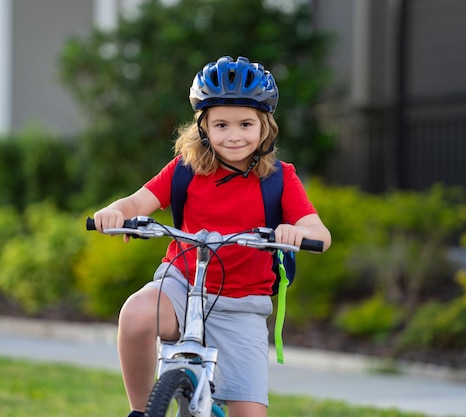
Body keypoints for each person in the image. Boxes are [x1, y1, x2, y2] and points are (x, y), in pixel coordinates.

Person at [93, 55, 331, 417]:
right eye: (221, 124)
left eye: (245, 124)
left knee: (249, 414)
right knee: (137, 315)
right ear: (203, 128)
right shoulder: (185, 169)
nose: (234, 135)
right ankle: (143, 411)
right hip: (182, 282)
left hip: (241, 304)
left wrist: (296, 231)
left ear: (265, 127)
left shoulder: (280, 179)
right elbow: (138, 201)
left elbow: (320, 234)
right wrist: (117, 212)